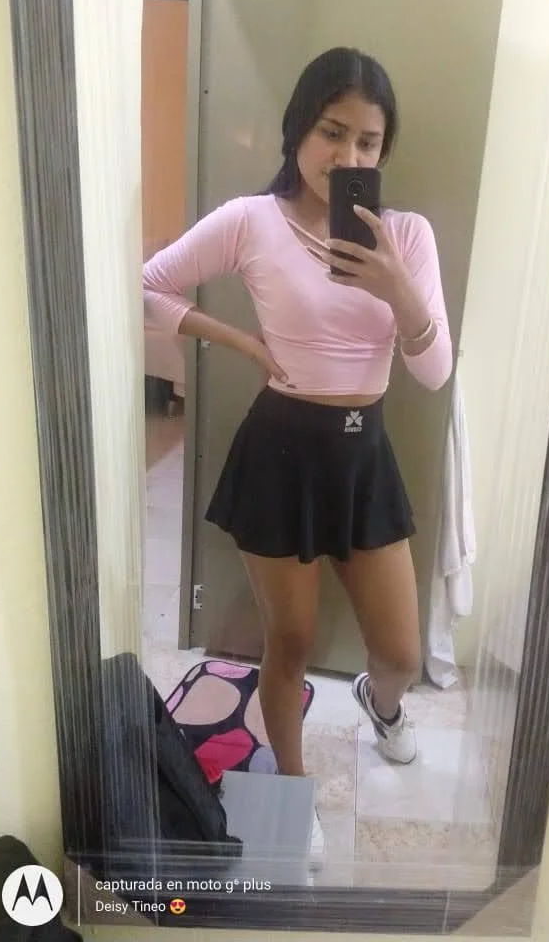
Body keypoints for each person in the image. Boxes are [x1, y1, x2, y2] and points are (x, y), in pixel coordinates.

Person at [143, 46, 453, 863]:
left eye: (368, 142)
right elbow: (150, 284)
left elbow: (433, 371)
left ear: (383, 152)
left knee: (400, 652)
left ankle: (383, 704)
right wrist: (242, 341)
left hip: (364, 455)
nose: (348, 156)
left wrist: (397, 286)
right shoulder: (251, 220)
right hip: (279, 453)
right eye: (332, 131)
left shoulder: (407, 236)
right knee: (291, 641)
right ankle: (291, 786)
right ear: (298, 131)